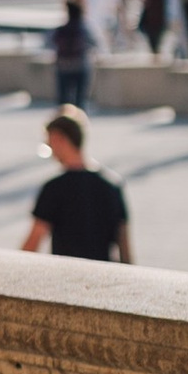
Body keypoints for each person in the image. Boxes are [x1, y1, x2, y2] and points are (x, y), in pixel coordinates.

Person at [20, 108, 133, 264]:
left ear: (59, 139)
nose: (51, 151)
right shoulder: (113, 185)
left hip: (66, 276)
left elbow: (33, 242)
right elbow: (124, 247)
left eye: (49, 143)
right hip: (104, 275)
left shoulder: (54, 188)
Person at [50, 0, 91, 116]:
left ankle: (63, 122)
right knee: (80, 100)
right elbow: (94, 43)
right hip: (80, 65)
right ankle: (79, 121)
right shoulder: (83, 29)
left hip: (63, 65)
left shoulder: (61, 30)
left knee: (63, 100)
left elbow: (50, 43)